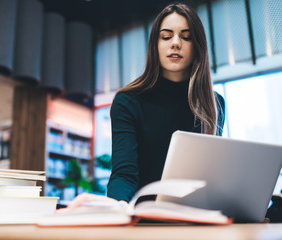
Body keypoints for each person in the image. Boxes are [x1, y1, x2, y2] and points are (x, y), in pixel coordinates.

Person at [65, 2, 225, 209]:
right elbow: (124, 173)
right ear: (155, 46)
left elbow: (209, 175)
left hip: (196, 214)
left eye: (186, 37)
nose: (175, 43)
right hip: (146, 216)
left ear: (198, 47)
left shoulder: (213, 103)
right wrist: (118, 205)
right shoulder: (128, 101)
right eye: (166, 36)